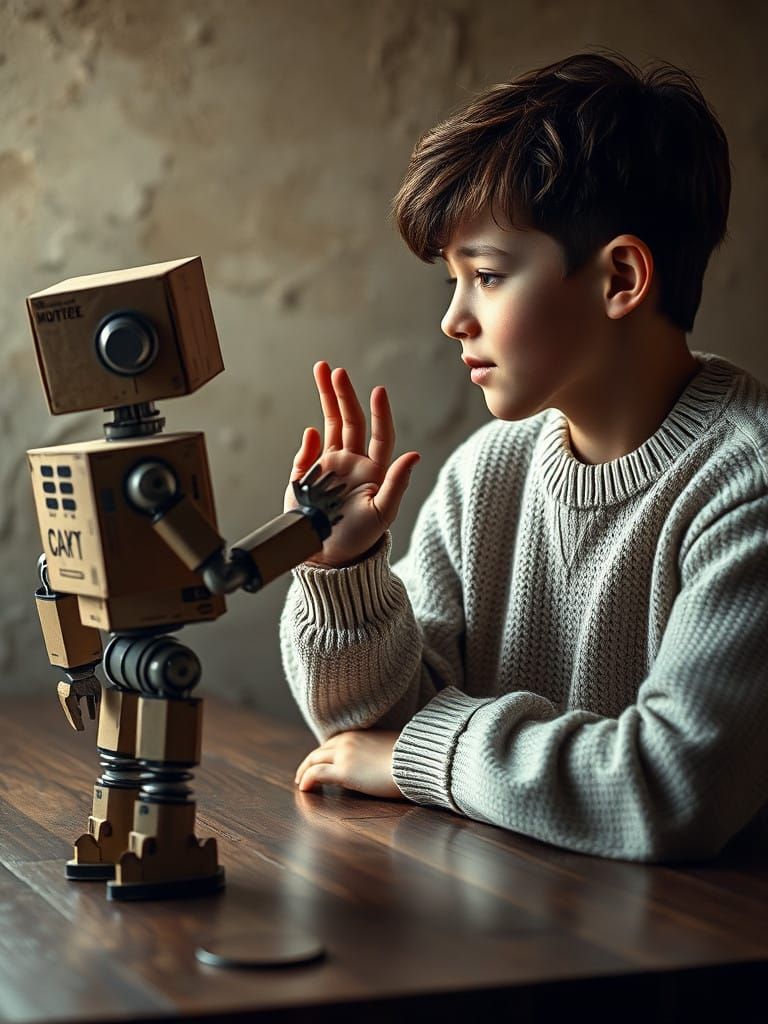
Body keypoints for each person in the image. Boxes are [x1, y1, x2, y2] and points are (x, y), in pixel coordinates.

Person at [279, 50, 768, 862]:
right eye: (452, 283)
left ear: (620, 276)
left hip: (699, 964)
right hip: (506, 918)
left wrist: (418, 752)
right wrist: (348, 571)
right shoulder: (488, 473)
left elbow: (671, 787)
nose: (454, 320)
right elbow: (359, 738)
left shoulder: (745, 484)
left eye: (488, 275)